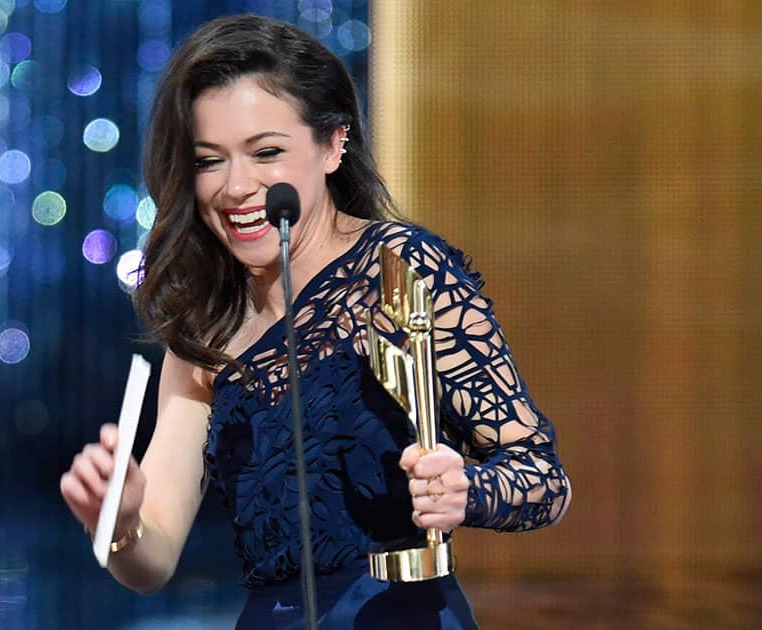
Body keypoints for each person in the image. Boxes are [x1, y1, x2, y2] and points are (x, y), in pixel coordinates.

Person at [60, 13, 571, 629]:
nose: (237, 186)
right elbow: (153, 559)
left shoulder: (401, 272)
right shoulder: (206, 332)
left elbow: (544, 480)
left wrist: (470, 491)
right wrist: (116, 524)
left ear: (333, 145)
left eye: (266, 153)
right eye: (209, 160)